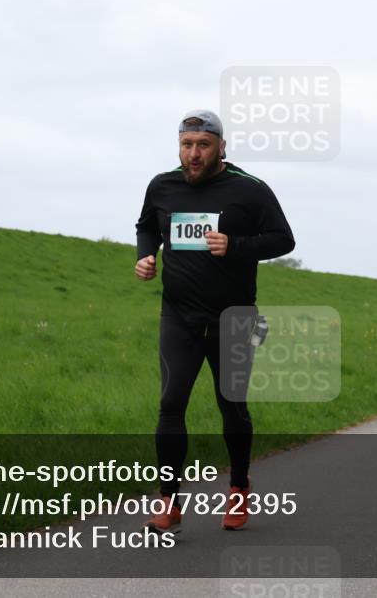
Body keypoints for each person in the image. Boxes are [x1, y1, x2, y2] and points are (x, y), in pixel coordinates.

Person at [134, 109, 295, 535]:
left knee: (232, 408)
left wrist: (235, 245)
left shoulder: (249, 189)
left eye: (203, 145)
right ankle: (169, 501)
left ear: (221, 147)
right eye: (187, 145)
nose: (194, 153)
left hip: (234, 319)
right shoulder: (162, 186)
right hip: (179, 317)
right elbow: (146, 226)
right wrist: (145, 256)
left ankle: (239, 487)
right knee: (171, 404)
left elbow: (283, 239)